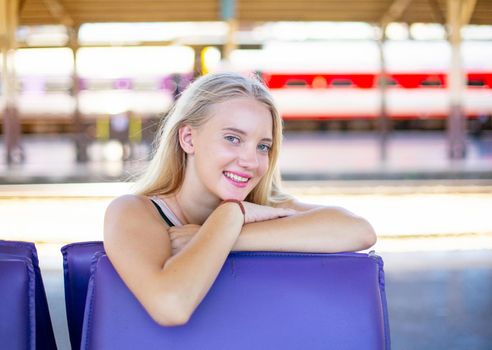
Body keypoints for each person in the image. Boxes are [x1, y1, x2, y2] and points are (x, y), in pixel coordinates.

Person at [104, 72, 377, 327]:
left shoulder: (264, 207)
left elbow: (359, 230)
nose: (251, 161)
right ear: (188, 138)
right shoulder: (133, 211)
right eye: (233, 138)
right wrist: (228, 217)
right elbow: (172, 306)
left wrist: (224, 233)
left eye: (263, 146)